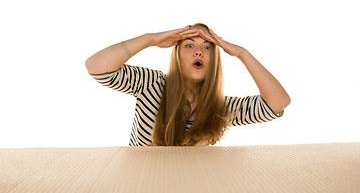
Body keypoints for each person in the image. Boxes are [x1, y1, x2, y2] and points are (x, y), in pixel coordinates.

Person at [85, 23, 291, 146]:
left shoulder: (220, 108)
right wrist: (150, 39)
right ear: (177, 54)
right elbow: (96, 67)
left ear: (214, 60)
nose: (198, 51)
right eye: (190, 45)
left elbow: (277, 103)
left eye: (207, 47)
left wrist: (241, 53)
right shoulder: (152, 84)